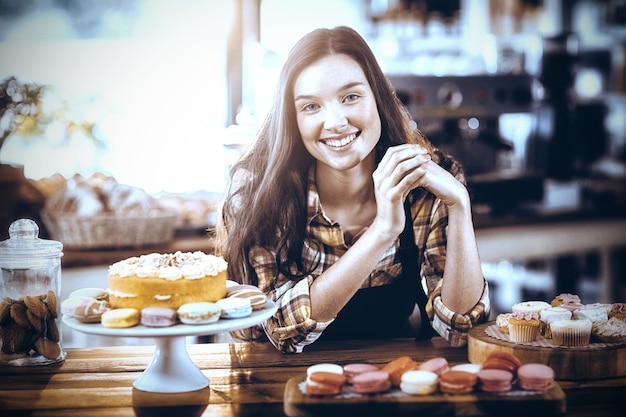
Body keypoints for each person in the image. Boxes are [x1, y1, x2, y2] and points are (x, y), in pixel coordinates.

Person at [219, 26, 490, 353]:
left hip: (395, 383)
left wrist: (459, 204)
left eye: (350, 97)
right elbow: (282, 331)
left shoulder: (427, 186)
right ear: (292, 119)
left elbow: (462, 331)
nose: (334, 122)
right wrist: (383, 232)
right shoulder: (260, 193)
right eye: (311, 107)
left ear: (379, 98)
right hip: (279, 389)